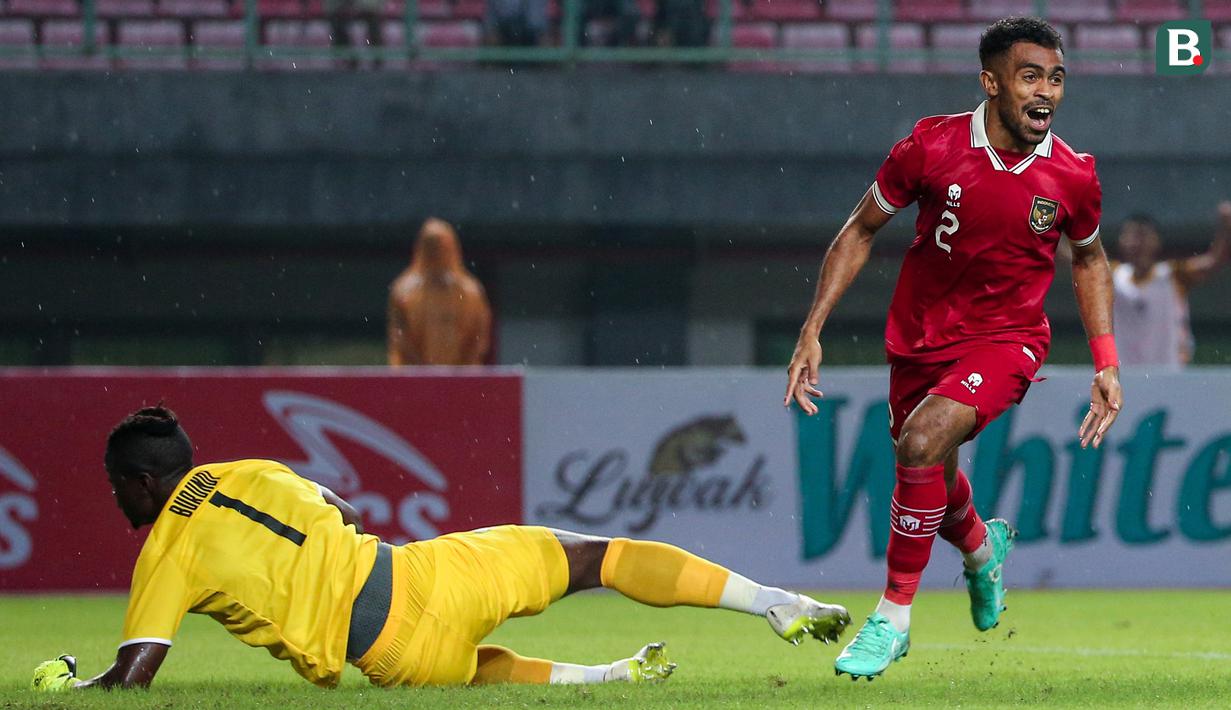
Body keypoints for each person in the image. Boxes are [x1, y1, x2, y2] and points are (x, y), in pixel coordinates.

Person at [30, 406, 850, 691]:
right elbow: (342, 509)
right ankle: (770, 602)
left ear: (141, 483)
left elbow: (136, 677)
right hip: (423, 571)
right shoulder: (251, 467)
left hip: (389, 652)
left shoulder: (164, 551)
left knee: (468, 671)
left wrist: (71, 687)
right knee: (596, 557)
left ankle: (607, 677)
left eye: (116, 485)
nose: (115, 499)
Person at [783, 17, 1122, 681]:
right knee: (930, 478)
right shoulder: (930, 146)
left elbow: (1089, 260)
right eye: (1030, 76)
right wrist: (811, 327)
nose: (1045, 92)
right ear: (991, 82)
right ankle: (978, 552)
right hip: (917, 339)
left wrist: (1105, 361)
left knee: (919, 442)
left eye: (1055, 78)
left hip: (1007, 340)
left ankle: (892, 617)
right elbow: (859, 230)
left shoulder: (1072, 175)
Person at [1111, 203, 1231, 368]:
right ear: (1121, 241)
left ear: (1157, 241)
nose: (1136, 242)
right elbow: (1077, 260)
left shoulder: (1173, 275)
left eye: (1143, 235)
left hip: (1169, 374)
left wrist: (1226, 228)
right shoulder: (1111, 276)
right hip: (1124, 377)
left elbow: (1214, 261)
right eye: (1130, 235)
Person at [387, 218, 493, 366]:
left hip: (460, 382)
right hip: (414, 382)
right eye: (431, 247)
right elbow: (400, 339)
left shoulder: (470, 292)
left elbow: (479, 337)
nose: (437, 253)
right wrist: (422, 370)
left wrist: (461, 371)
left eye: (441, 247)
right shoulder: (404, 292)